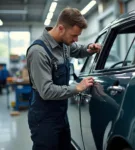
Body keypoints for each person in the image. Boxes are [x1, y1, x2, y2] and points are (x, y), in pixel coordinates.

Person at [26, 7, 101, 150]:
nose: (76, 39)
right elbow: (46, 91)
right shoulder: (38, 52)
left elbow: (77, 49)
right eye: (74, 35)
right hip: (43, 119)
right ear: (61, 28)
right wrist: (77, 87)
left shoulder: (64, 44)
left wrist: (89, 48)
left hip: (60, 114)